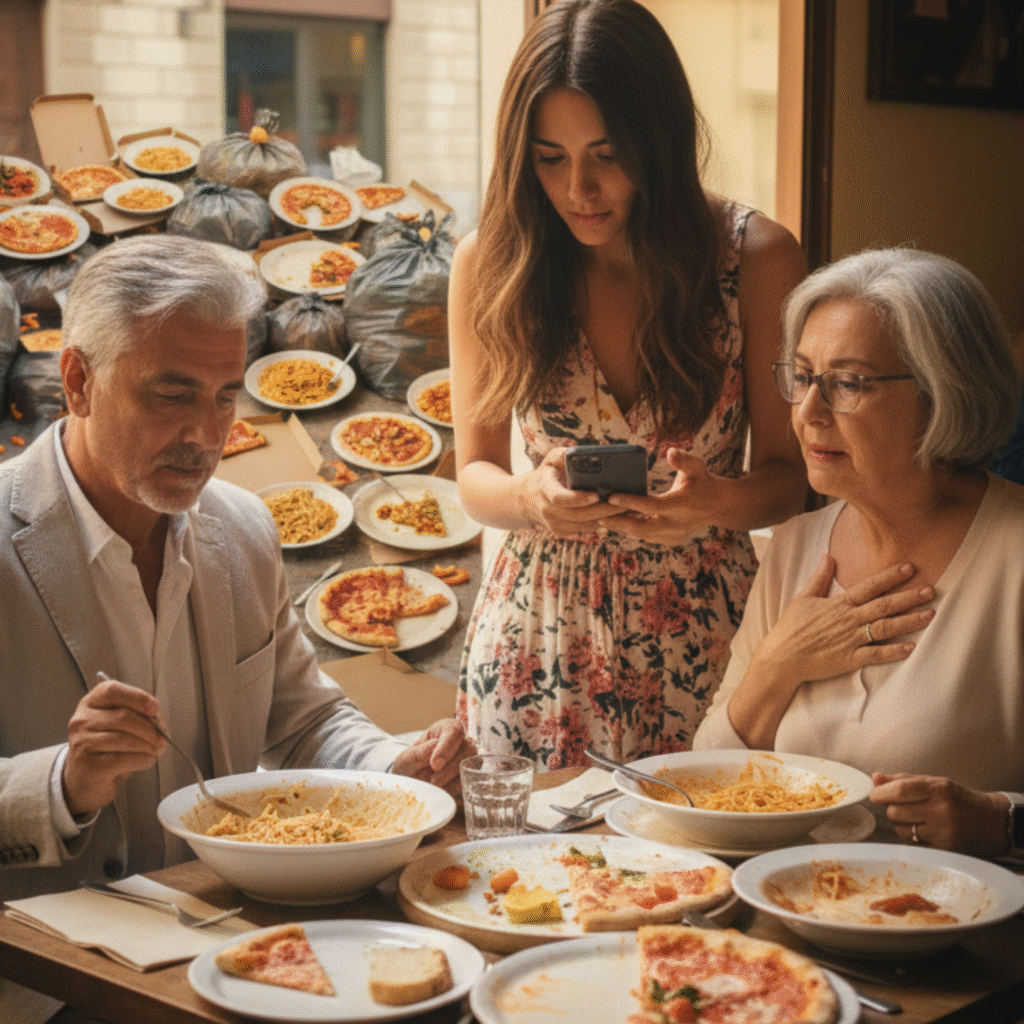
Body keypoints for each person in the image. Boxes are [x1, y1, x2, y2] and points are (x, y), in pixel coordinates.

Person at [0, 234, 475, 909]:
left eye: (225, 398)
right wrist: (62, 784)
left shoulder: (244, 528)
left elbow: (302, 721)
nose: (206, 435)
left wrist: (394, 770)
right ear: (77, 381)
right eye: (172, 395)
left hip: (223, 934)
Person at [450, 0, 807, 769]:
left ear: (661, 139)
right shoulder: (492, 262)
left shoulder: (758, 259)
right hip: (534, 644)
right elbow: (472, 478)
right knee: (534, 879)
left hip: (703, 639)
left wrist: (716, 502)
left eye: (607, 155)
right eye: (550, 158)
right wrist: (530, 501)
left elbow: (791, 479)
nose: (579, 188)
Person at [693, 247, 1024, 857]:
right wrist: (777, 667)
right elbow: (703, 781)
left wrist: (1002, 821)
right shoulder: (794, 549)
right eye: (801, 376)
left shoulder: (1014, 557)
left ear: (942, 391)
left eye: (847, 384)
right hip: (791, 916)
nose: (810, 413)